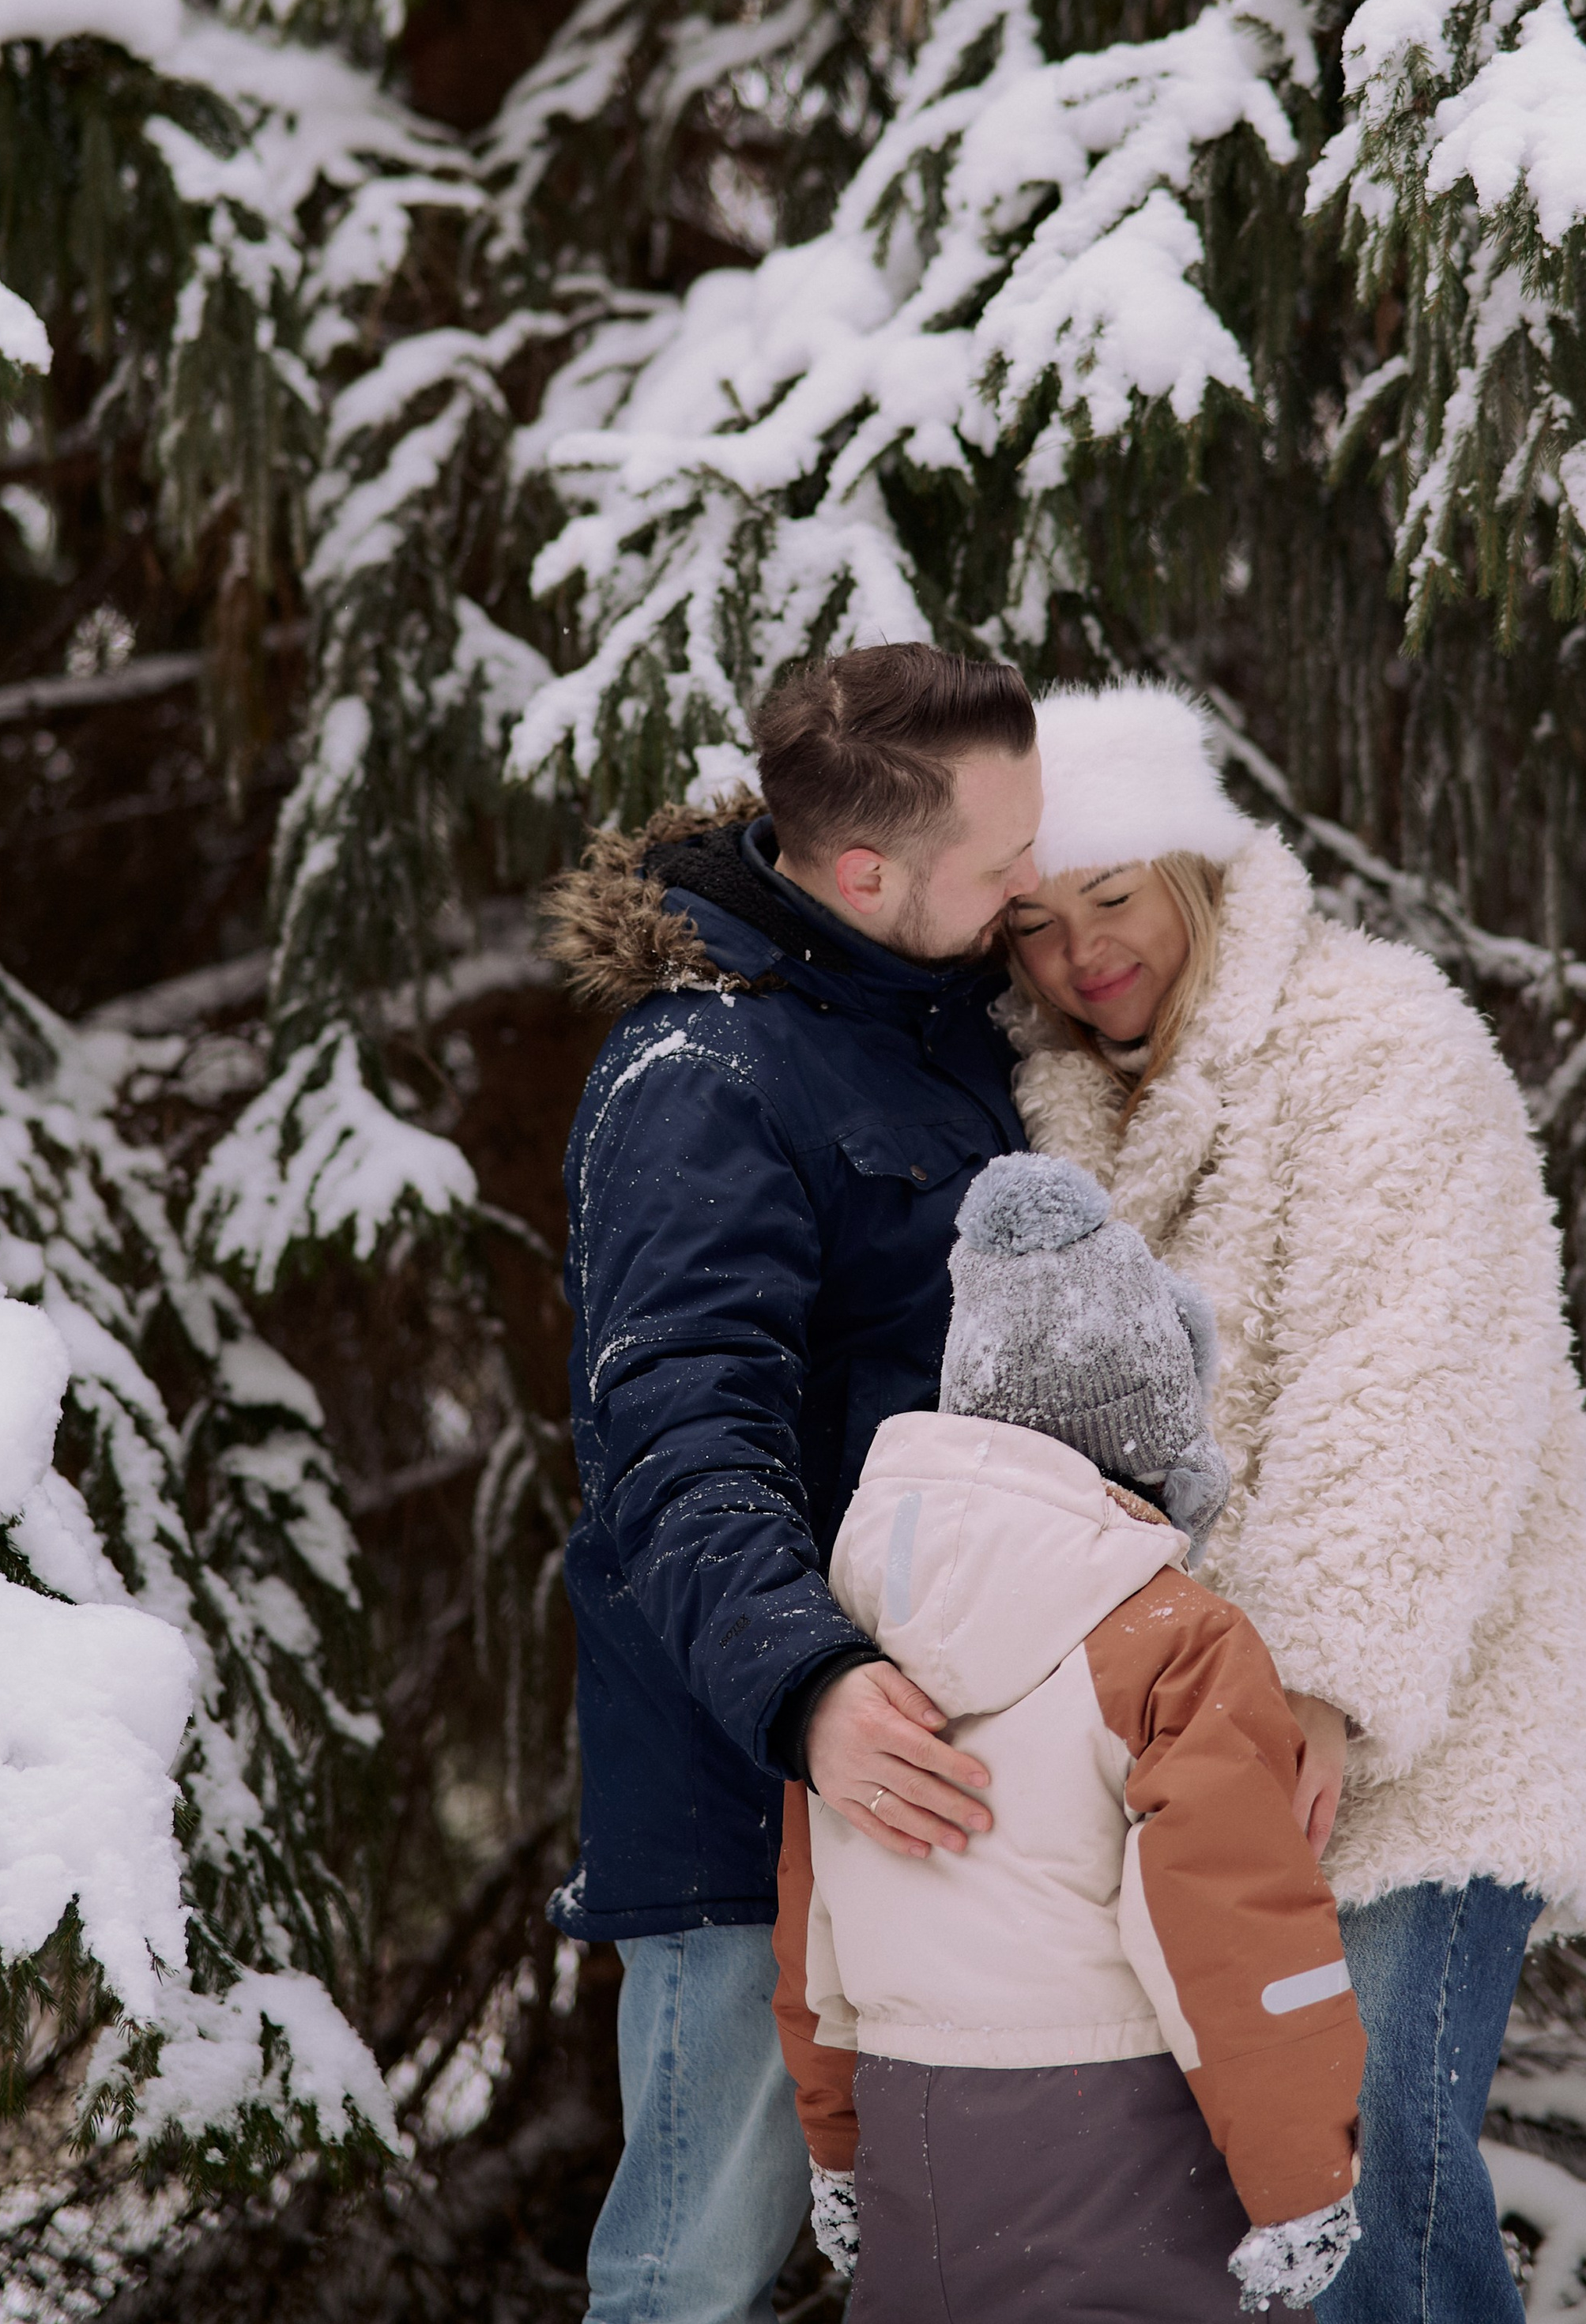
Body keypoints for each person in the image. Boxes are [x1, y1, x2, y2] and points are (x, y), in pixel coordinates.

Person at [1000, 677, 1586, 2324]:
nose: (1082, 953)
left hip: (1401, 1728)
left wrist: (1316, 1687)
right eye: (1035, 923)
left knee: (1358, 2174)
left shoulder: (1372, 1037)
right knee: (1248, 2214)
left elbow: (1411, 1381)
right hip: (1190, 1746)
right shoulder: (1068, 1112)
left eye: (1112, 898)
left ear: (1194, 868)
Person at [541, 643, 1044, 2324]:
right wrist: (808, 1686)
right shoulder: (700, 1084)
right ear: (857, 873)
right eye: (998, 859)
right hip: (750, 1788)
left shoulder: (956, 1025)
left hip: (950, 1780)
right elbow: (674, 1440)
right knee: (694, 2272)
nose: (1029, 885)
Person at [773, 1149, 1366, 2320]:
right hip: (1121, 2148)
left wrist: (837, 2148)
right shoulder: (1174, 1638)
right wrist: (1305, 2177)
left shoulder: (851, 1645)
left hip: (908, 2140)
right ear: (1151, 1426)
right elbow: (1234, 1920)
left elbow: (814, 1925)